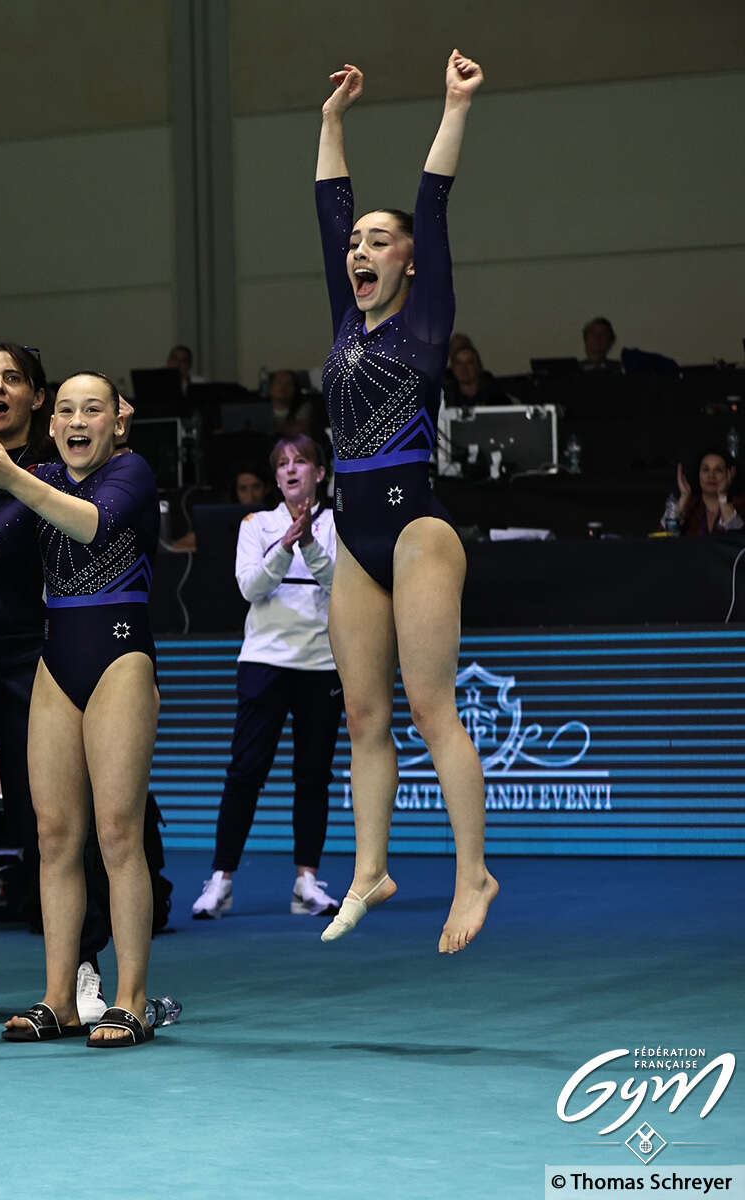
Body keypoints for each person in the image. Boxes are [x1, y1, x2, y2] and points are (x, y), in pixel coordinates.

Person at [0, 269, 170, 1049]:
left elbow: (90, 527)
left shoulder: (129, 475)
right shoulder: (36, 476)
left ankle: (133, 998)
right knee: (53, 835)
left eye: (92, 408)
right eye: (68, 409)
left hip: (118, 660)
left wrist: (7, 476)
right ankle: (59, 996)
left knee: (117, 832)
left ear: (120, 421)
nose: (77, 419)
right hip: (56, 662)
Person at [312, 52, 498, 953]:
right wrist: (332, 120)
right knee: (363, 715)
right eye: (357, 246)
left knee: (430, 709)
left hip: (418, 528)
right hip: (355, 533)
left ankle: (474, 873)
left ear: (412, 265)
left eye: (379, 244)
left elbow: (431, 199)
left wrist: (454, 101)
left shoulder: (428, 318)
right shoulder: (346, 320)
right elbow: (328, 210)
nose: (361, 252)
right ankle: (369, 870)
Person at [192, 434, 346, 920]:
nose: (291, 470)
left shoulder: (340, 524)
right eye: (282, 464)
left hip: (322, 663)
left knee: (313, 775)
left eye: (301, 462)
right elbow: (250, 586)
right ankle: (221, 879)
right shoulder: (257, 524)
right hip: (264, 661)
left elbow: (341, 584)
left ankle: (306, 882)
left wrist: (311, 546)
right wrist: (284, 545)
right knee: (245, 771)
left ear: (320, 473)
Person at [666, 450, 741, 535]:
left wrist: (723, 497)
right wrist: (683, 497)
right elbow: (665, 540)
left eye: (718, 470)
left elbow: (739, 540)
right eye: (705, 470)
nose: (711, 475)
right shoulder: (689, 504)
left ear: (730, 474)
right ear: (698, 474)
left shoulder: (740, 504)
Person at [444, 336, 505, 407]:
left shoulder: (494, 393)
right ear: (453, 368)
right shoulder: (445, 396)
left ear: (477, 366)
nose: (463, 368)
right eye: (458, 363)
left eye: (469, 362)